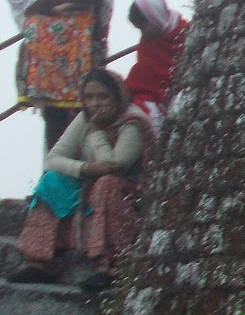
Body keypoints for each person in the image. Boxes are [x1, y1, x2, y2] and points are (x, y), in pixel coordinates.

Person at [11, 69, 155, 292]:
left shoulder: (134, 121)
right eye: (89, 97)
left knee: (107, 184)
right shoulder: (84, 118)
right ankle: (44, 262)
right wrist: (85, 168)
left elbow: (115, 165)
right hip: (90, 181)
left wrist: (96, 131)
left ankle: (109, 265)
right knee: (52, 181)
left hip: (128, 191)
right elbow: (53, 160)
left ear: (117, 97)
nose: (95, 103)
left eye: (102, 97)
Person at [7, 0, 116, 150]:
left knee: (87, 115)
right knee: (53, 123)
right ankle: (54, 168)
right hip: (46, 67)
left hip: (81, 59)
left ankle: (84, 167)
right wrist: (57, 4)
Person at [124, 0, 189, 134]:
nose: (143, 32)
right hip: (153, 97)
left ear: (155, 17)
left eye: (144, 26)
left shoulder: (185, 33)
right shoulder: (146, 43)